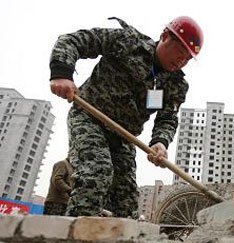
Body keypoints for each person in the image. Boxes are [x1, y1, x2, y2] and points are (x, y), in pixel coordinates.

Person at [49, 16, 203, 217]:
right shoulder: (128, 42)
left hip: (124, 137)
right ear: (165, 37)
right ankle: (74, 242)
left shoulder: (176, 84)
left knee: (126, 199)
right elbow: (74, 41)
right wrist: (62, 74)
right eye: (180, 53)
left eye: (187, 59)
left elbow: (168, 118)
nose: (181, 61)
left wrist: (160, 142)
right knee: (97, 173)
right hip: (90, 118)